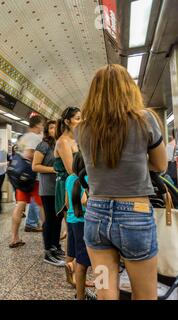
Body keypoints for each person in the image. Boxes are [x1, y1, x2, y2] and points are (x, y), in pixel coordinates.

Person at [77, 64, 167, 300]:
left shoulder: (83, 128)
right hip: (135, 218)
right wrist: (135, 162)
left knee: (105, 292)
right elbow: (161, 165)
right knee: (145, 294)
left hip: (96, 218)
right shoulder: (145, 119)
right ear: (129, 89)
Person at [53, 106, 81, 280]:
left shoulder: (75, 140)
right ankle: (70, 269)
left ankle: (75, 267)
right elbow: (72, 169)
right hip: (68, 187)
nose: (81, 121)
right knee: (72, 229)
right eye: (77, 118)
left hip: (77, 184)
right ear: (67, 122)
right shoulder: (63, 142)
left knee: (75, 228)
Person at [32, 120, 64, 266]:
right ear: (47, 131)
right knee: (50, 219)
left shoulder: (61, 143)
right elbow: (35, 166)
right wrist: (54, 170)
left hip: (59, 188)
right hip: (48, 189)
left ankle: (56, 246)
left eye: (56, 127)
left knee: (58, 219)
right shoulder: (43, 145)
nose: (54, 129)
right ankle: (48, 251)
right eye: (51, 127)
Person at [10, 115, 45, 248]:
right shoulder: (34, 137)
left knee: (20, 205)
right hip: (32, 178)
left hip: (21, 177)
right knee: (42, 206)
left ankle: (14, 238)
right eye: (42, 125)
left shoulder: (24, 137)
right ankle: (49, 236)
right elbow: (29, 154)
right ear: (38, 125)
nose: (43, 127)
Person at [64, 152, 95, 300]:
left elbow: (67, 203)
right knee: (84, 256)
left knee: (74, 249)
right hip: (83, 222)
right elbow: (84, 200)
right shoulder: (87, 178)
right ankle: (73, 268)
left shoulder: (69, 178)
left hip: (71, 219)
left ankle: (71, 266)